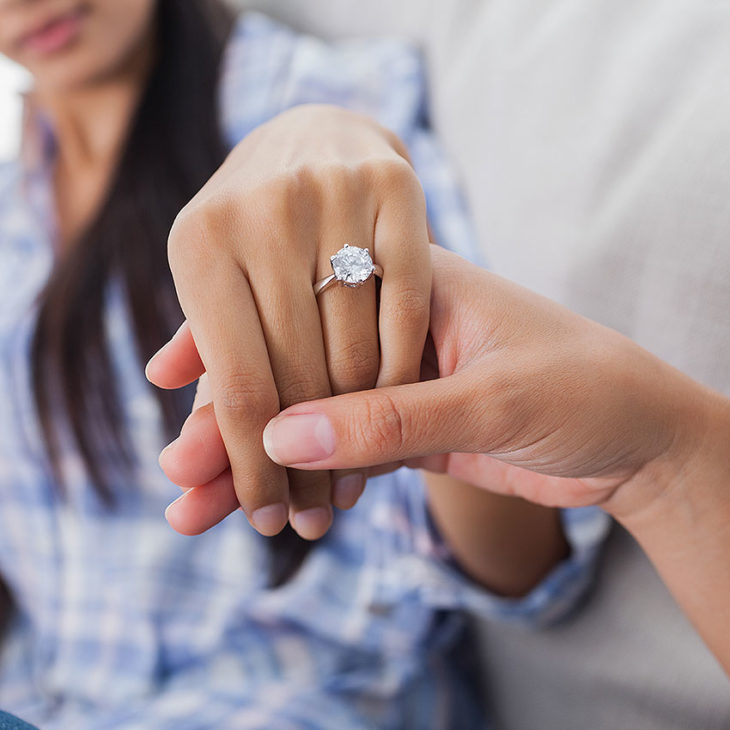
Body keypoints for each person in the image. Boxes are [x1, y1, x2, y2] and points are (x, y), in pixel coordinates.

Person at [0, 1, 607, 727]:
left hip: (301, 696)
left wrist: (345, 150)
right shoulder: (14, 204)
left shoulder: (326, 117)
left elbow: (526, 569)